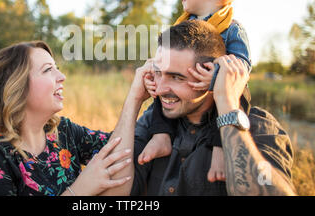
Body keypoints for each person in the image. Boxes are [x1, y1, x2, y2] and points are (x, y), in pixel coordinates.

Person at [0, 41, 134, 196]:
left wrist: (136, 98)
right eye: (48, 70)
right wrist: (79, 191)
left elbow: (122, 152)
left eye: (57, 68)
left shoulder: (63, 132)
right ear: (17, 87)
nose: (62, 76)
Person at [125, 20, 295, 195]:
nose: (159, 89)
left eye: (177, 77)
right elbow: (112, 186)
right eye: (158, 73)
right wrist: (135, 98)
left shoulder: (258, 128)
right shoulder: (154, 120)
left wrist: (227, 103)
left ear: (211, 74)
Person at [140, 0, 252, 182]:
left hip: (218, 89)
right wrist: (159, 71)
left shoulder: (232, 28)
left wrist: (217, 79)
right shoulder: (184, 24)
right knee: (160, 92)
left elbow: (241, 67)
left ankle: (220, 149)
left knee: (236, 101)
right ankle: (161, 135)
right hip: (190, 88)